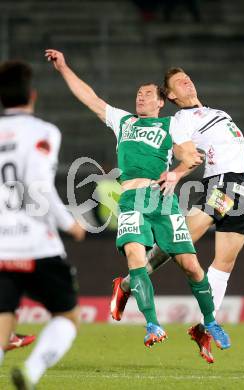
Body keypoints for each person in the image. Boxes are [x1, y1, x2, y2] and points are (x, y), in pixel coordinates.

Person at [45, 49, 230, 351]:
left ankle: (210, 320)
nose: (140, 98)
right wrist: (64, 68)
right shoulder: (124, 122)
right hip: (131, 198)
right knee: (135, 257)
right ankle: (152, 324)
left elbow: (188, 155)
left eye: (146, 94)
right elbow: (90, 98)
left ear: (160, 102)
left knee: (191, 266)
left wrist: (179, 169)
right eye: (138, 94)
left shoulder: (172, 126)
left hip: (163, 199)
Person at [110, 67, 244, 363]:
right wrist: (176, 174)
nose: (186, 80)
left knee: (224, 263)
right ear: (172, 95)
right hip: (221, 184)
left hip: (242, 186)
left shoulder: (220, 113)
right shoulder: (180, 120)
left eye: (187, 76)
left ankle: (204, 327)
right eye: (179, 82)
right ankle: (128, 283)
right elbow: (187, 154)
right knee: (185, 239)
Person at [0, 60, 85, 389]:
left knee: (3, 321)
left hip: (1, 246)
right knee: (67, 316)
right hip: (36, 243)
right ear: (32, 95)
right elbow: (38, 186)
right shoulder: (43, 132)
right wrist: (70, 224)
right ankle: (31, 372)